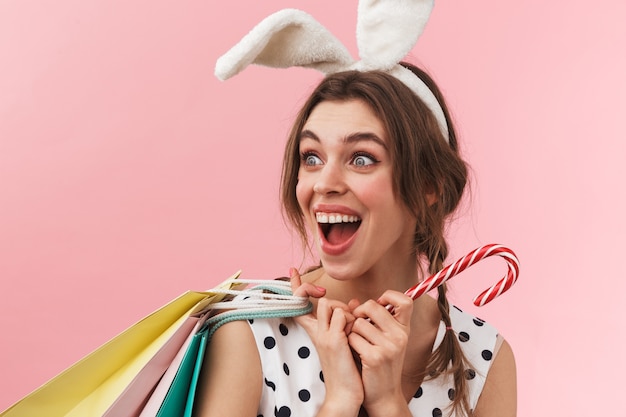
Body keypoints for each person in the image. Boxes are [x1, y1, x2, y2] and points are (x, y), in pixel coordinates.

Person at [195, 4, 516, 417]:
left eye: (361, 158)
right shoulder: (247, 332)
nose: (324, 182)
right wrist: (341, 401)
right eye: (311, 157)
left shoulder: (483, 358)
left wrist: (388, 403)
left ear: (428, 185)